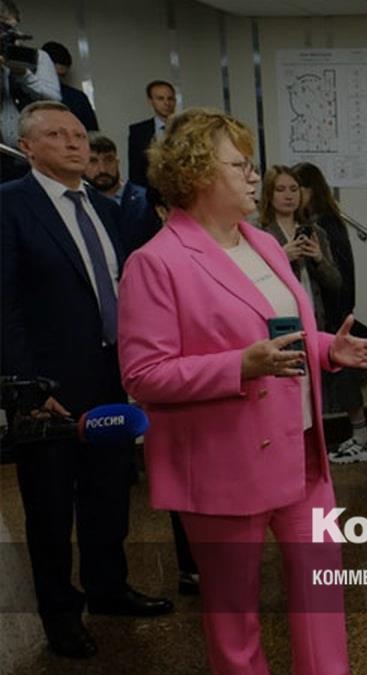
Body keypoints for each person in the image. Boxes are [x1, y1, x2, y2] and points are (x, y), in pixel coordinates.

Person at [117, 107, 367, 675]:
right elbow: (144, 375)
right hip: (224, 463)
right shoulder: (156, 262)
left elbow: (280, 332)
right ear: (196, 174)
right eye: (239, 165)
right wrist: (239, 366)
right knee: (234, 616)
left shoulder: (262, 243)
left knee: (321, 595)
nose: (253, 175)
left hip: (302, 452)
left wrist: (326, 348)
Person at [1, 100, 172, 659]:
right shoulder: (10, 205)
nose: (75, 143)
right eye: (57, 135)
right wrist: (26, 388)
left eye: (79, 135)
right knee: (50, 507)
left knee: (108, 493)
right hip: (47, 387)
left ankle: (108, 587)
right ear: (27, 147)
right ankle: (60, 615)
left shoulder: (103, 207)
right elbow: (4, 305)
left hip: (109, 375)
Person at [291, 161, 367, 463]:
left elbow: (338, 274)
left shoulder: (323, 224)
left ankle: (362, 439)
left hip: (332, 312)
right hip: (332, 310)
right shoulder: (324, 220)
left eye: (296, 189)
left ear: (310, 190)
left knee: (343, 377)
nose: (291, 196)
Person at [258, 164, 342, 334]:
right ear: (269, 194)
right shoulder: (258, 232)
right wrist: (281, 257)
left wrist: (319, 259)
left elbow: (335, 283)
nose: (289, 196)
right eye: (280, 190)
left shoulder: (315, 232)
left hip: (314, 317)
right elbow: (252, 280)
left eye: (294, 189)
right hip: (278, 319)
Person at [0, 0, 61, 180]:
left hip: (31, 157)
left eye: (8, 28)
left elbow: (54, 101)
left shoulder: (36, 57)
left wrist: (23, 73)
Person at [84, 133, 161, 253]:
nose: (102, 169)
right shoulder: (82, 204)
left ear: (117, 162)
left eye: (109, 160)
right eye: (93, 161)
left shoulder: (145, 200)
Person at [126, 79, 175, 188]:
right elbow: (135, 170)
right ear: (150, 101)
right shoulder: (138, 131)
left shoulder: (186, 128)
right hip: (150, 191)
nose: (167, 103)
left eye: (170, 98)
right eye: (160, 98)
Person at [40, 41, 98, 131]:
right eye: (53, 75)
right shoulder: (25, 92)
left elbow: (92, 134)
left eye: (61, 76)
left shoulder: (77, 98)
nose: (55, 81)